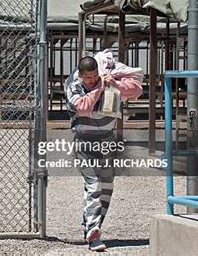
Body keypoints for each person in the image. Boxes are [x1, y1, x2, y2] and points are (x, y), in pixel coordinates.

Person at [65, 51, 143, 252]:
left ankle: (92, 225)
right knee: (94, 184)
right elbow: (83, 105)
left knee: (107, 186)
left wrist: (114, 84)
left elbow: (136, 90)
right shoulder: (73, 86)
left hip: (107, 141)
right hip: (85, 142)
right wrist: (101, 87)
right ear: (81, 76)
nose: (91, 81)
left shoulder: (108, 80)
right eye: (87, 78)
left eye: (94, 77)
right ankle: (93, 234)